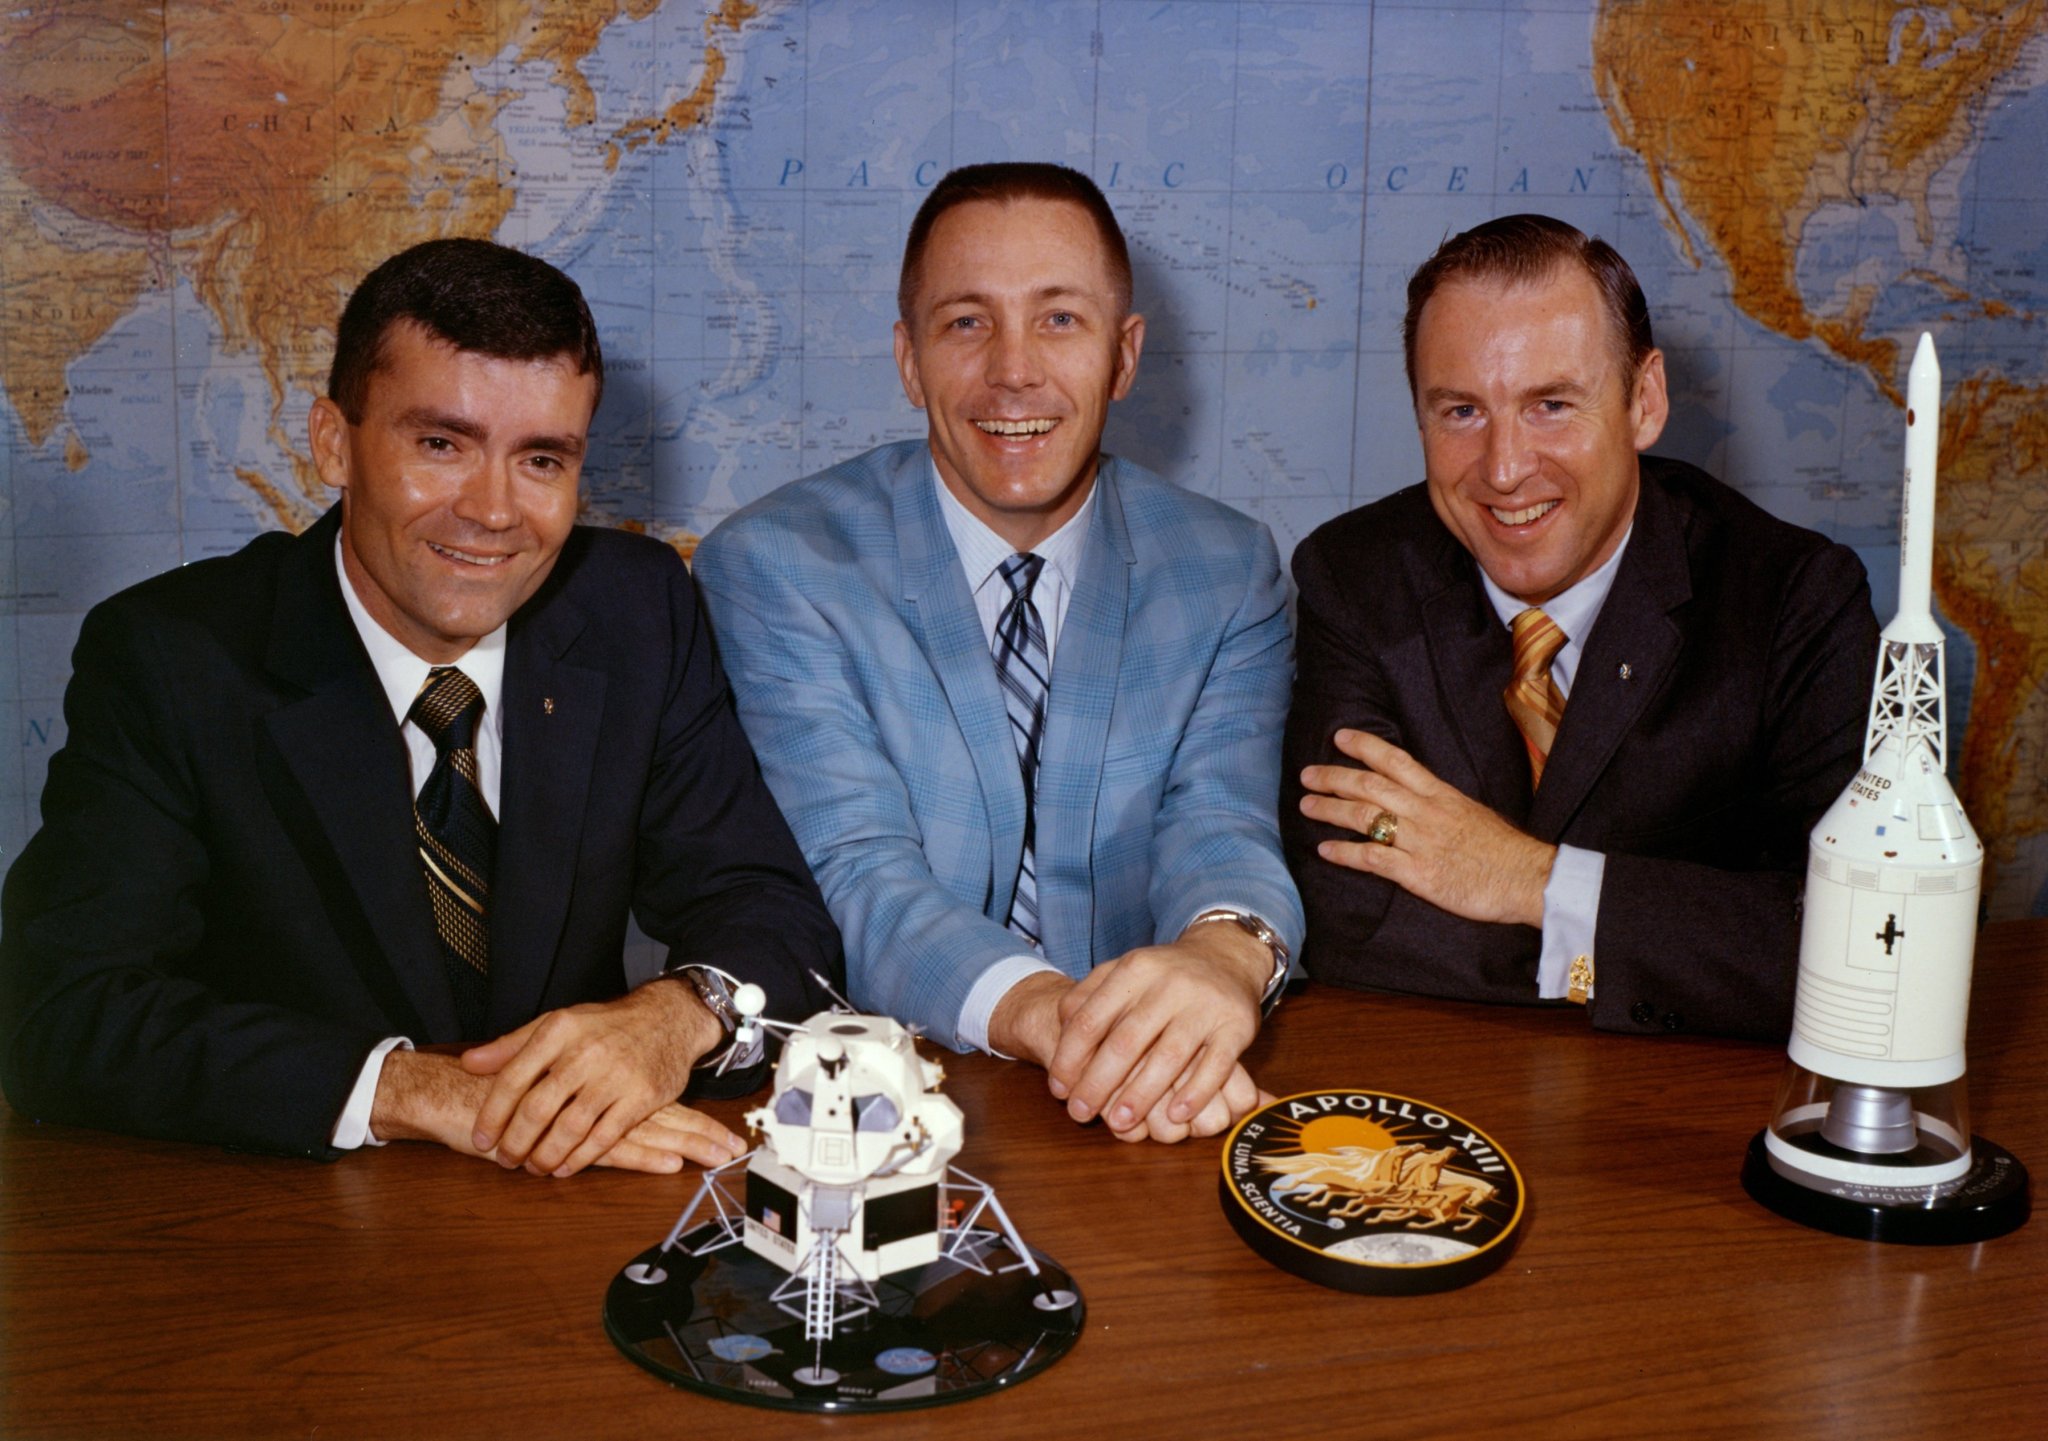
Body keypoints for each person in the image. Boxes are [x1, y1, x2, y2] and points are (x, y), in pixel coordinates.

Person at [0, 239, 840, 1172]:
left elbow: (767, 908)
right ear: (333, 442)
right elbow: (60, 1013)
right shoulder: (174, 657)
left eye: (542, 459)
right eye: (441, 444)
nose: (492, 511)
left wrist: (679, 1015)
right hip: (284, 1222)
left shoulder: (636, 609)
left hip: (572, 1203)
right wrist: (421, 1090)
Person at [694, 163, 1302, 1143]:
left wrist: (1222, 960)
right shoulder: (775, 565)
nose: (1012, 370)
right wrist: (1067, 1020)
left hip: (1153, 1112)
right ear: (907, 358)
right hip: (877, 1118)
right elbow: (855, 873)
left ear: (1124, 354)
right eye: (966, 322)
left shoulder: (1228, 568)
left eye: (1059, 319)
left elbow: (1220, 823)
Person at [1283, 214, 1879, 1041]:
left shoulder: (1795, 601)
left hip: (1679, 1115)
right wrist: (1683, 932)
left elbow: (1858, 946)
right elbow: (1353, 927)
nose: (1503, 468)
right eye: (1460, 411)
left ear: (1645, 401)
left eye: (1551, 405)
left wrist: (1529, 880)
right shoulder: (1353, 576)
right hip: (1438, 1083)